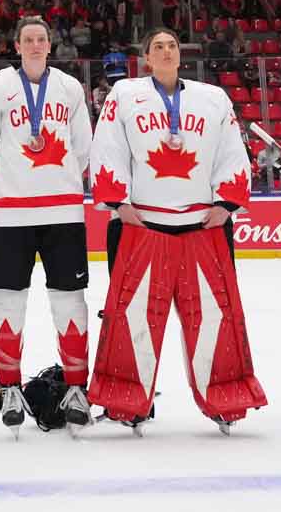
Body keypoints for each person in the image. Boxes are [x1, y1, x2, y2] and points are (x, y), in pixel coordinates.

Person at [88, 28, 264, 433]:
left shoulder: (212, 98)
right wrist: (119, 202)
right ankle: (127, 403)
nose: (166, 52)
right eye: (158, 47)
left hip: (203, 226)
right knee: (131, 319)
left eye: (172, 46)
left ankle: (225, 399)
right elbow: (108, 146)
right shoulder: (124, 94)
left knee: (215, 317)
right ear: (146, 58)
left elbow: (231, 150)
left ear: (180, 55)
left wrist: (226, 203)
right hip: (141, 225)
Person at [0, 15, 95, 434]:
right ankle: (9, 389)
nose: (36, 45)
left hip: (63, 213)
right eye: (29, 40)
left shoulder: (70, 88)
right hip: (11, 213)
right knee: (7, 301)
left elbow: (83, 147)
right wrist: (8, 176)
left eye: (42, 39)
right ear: (17, 46)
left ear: (50, 45)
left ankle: (76, 388)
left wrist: (57, 179)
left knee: (70, 301)